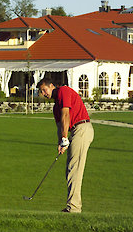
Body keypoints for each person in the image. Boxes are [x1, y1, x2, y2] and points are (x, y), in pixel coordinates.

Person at [37, 78, 94, 213]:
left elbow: (66, 115)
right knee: (70, 169)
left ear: (51, 86)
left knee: (74, 169)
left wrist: (64, 138)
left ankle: (74, 208)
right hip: (75, 132)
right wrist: (61, 142)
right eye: (41, 92)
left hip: (82, 128)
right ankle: (73, 205)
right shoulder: (55, 106)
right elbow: (60, 126)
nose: (44, 94)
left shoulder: (63, 91)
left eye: (44, 90)